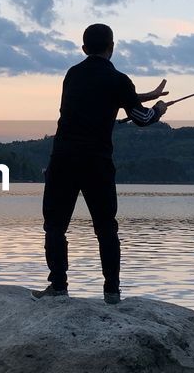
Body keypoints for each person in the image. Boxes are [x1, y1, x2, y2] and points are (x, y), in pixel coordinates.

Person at [34, 23, 168, 305]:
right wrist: (157, 109)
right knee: (106, 228)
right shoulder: (119, 80)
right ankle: (112, 293)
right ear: (112, 47)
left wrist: (145, 96)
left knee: (55, 226)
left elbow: (105, 97)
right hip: (96, 162)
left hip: (63, 159)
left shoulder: (72, 75)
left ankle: (58, 287)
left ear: (84, 49)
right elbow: (141, 119)